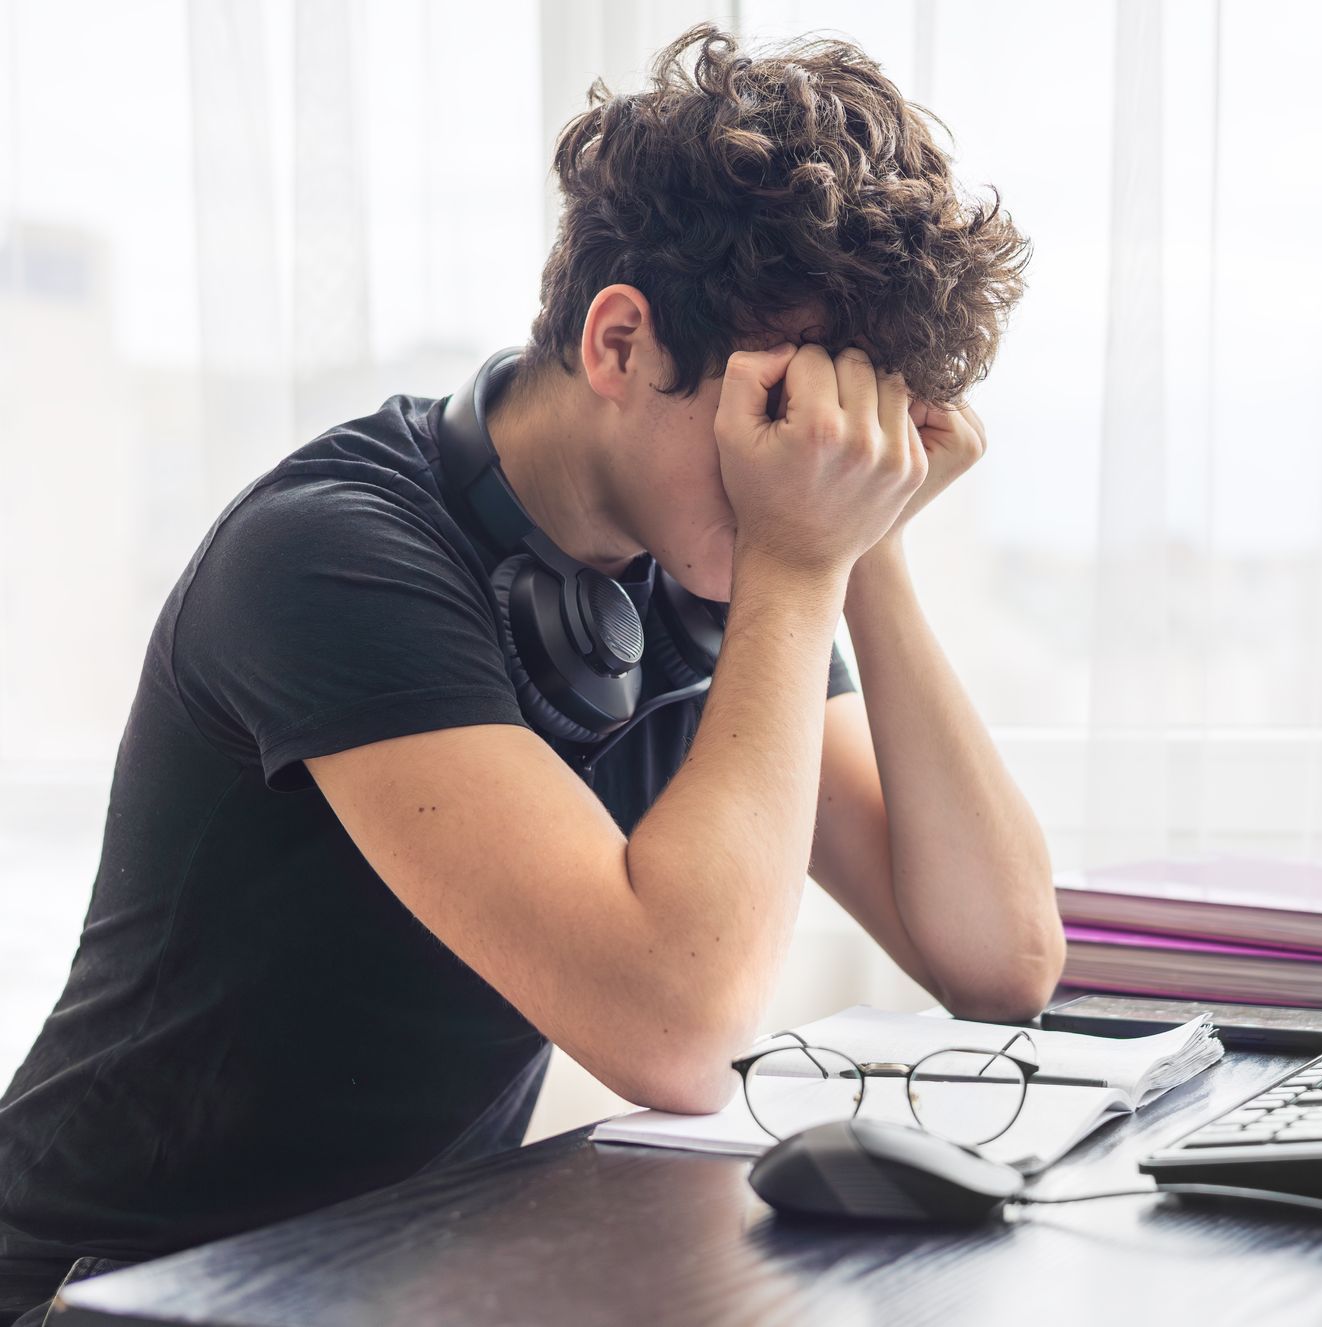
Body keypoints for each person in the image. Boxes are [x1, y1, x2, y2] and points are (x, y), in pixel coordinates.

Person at [0, 25, 1061, 1323]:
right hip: (111, 1291)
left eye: (862, 430)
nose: (820, 467)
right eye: (793, 418)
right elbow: (677, 1034)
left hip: (385, 1275)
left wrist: (864, 540)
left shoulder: (726, 560)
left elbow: (998, 959)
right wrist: (801, 561)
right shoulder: (332, 558)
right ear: (620, 343)